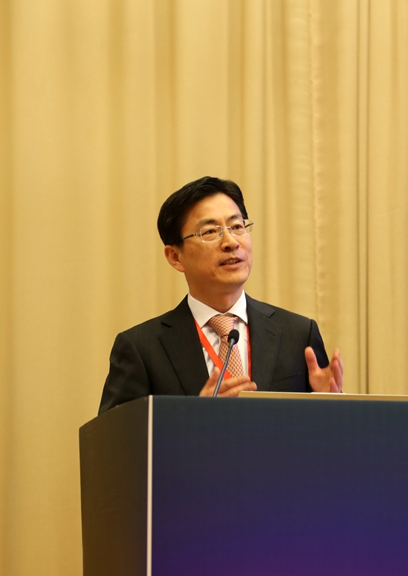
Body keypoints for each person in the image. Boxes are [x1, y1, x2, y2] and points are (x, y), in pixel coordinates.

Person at [98, 176, 343, 413]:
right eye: (210, 232)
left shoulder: (297, 335)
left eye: (237, 227)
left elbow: (326, 436)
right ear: (175, 256)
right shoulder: (142, 349)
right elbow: (114, 440)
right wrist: (193, 419)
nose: (231, 242)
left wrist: (333, 411)